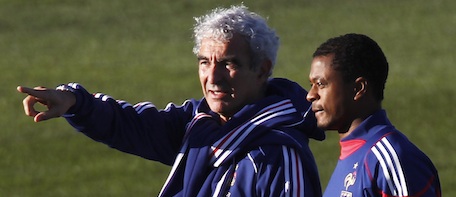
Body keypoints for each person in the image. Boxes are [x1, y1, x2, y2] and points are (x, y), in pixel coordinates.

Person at [18, 5, 325, 196]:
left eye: (228, 64)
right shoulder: (199, 124)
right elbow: (130, 124)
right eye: (205, 62)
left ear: (262, 70)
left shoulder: (280, 156)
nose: (212, 79)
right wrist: (74, 101)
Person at [306, 33, 441, 197]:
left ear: (358, 88)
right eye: (312, 85)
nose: (311, 95)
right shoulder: (355, 154)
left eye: (320, 84)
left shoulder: (391, 159)